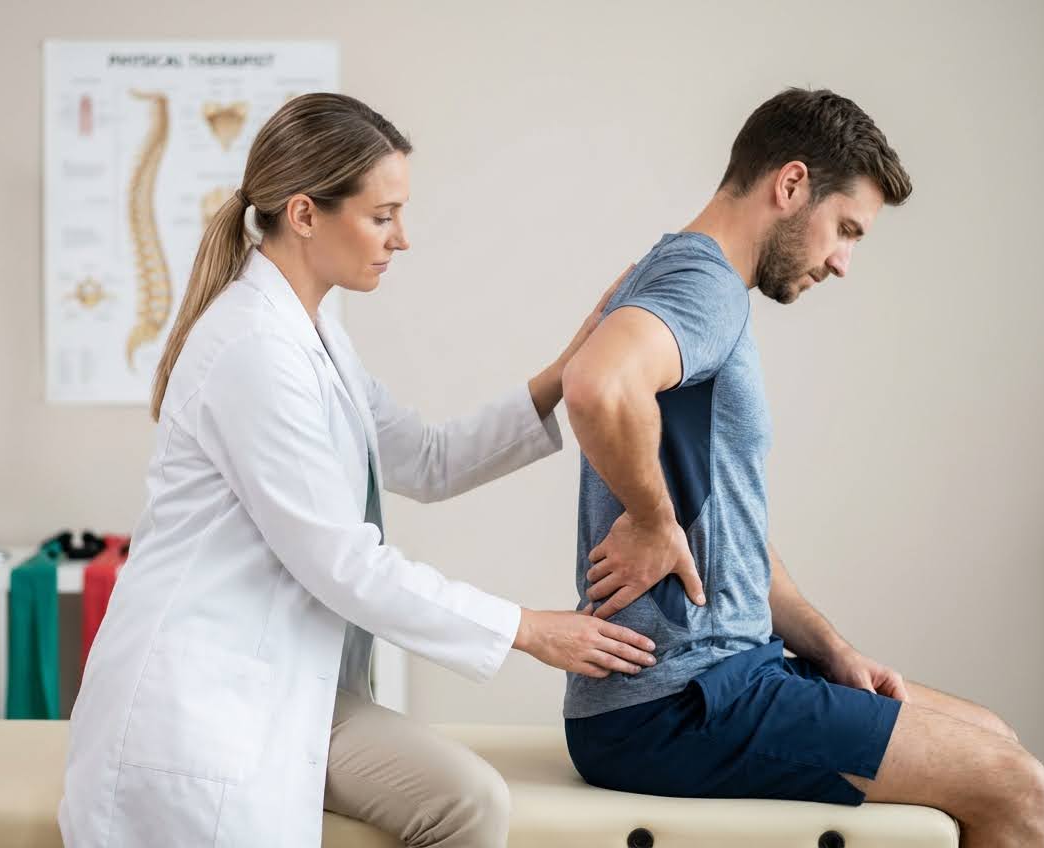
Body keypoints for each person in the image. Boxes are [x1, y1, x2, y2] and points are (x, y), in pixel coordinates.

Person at [57, 93, 657, 848]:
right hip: (202, 703)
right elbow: (342, 563)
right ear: (305, 214)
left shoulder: (316, 334)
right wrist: (529, 630)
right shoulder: (253, 350)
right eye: (383, 216)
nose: (401, 238)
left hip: (288, 681)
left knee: (469, 801)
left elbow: (429, 458)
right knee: (463, 804)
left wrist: (565, 373)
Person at [560, 87, 1044, 848]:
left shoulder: (692, 280)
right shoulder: (704, 287)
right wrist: (655, 522)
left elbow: (732, 533)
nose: (843, 262)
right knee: (1015, 786)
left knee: (994, 737)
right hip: (675, 705)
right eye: (845, 229)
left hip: (728, 677)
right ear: (791, 186)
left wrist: (834, 651)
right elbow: (596, 383)